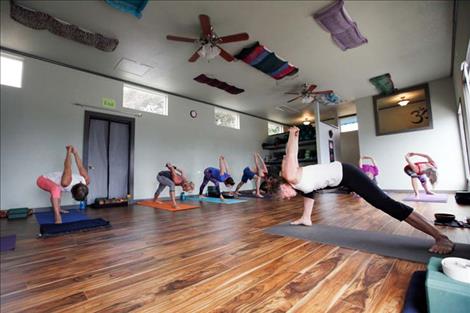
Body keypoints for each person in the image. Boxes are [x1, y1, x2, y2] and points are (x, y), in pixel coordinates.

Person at [268, 126, 454, 254]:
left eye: (284, 195)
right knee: (308, 191)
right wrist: (305, 217)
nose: (287, 198)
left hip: (348, 174)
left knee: (386, 204)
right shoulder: (297, 183)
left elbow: (290, 154)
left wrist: (294, 134)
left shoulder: (290, 175)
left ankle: (440, 237)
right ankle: (306, 218)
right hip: (343, 177)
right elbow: (309, 191)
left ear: (283, 185)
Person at [36, 145, 90, 224]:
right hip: (42, 180)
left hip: (57, 183)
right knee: (57, 188)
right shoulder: (66, 182)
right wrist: (68, 152)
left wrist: (75, 153)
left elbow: (80, 166)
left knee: (58, 188)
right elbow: (67, 166)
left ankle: (58, 208)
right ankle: (57, 215)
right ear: (72, 192)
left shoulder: (85, 180)